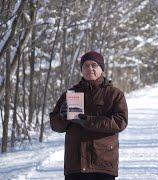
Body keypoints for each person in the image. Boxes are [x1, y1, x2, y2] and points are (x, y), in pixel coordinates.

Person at [50, 51, 128, 180]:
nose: (90, 68)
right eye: (85, 65)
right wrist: (63, 117)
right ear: (81, 69)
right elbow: (55, 125)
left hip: (103, 162)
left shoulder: (114, 94)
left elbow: (120, 122)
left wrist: (87, 121)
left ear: (101, 69)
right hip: (75, 164)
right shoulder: (70, 94)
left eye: (94, 65)